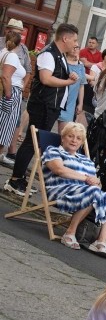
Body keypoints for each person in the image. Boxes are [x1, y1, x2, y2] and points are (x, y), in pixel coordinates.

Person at [5, 23, 79, 198]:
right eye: (74, 39)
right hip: (43, 105)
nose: (76, 43)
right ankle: (15, 179)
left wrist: (69, 78)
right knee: (32, 142)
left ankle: (20, 177)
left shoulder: (60, 55)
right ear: (65, 38)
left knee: (36, 143)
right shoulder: (49, 53)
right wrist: (68, 82)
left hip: (51, 105)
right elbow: (46, 79)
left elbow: (57, 77)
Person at [43, 123, 106, 257]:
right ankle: (69, 233)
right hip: (61, 191)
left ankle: (100, 241)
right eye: (71, 136)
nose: (74, 140)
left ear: (82, 142)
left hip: (86, 193)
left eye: (78, 138)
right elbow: (59, 170)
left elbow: (95, 182)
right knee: (93, 192)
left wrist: (96, 181)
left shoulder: (86, 160)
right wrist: (86, 179)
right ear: (63, 138)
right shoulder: (53, 151)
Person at [1, 19, 32, 166]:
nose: (16, 35)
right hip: (7, 90)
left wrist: (21, 88)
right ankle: (3, 152)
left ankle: (11, 151)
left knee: (13, 122)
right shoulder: (5, 49)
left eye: (19, 33)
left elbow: (28, 71)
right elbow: (5, 75)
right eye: (13, 31)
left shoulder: (23, 49)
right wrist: (9, 94)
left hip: (15, 90)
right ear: (7, 30)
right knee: (5, 123)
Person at [56, 44, 85, 134]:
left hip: (70, 104)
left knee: (63, 134)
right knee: (44, 132)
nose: (75, 50)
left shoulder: (80, 65)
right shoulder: (61, 61)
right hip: (57, 99)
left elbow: (81, 85)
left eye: (77, 48)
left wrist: (80, 103)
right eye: (73, 47)